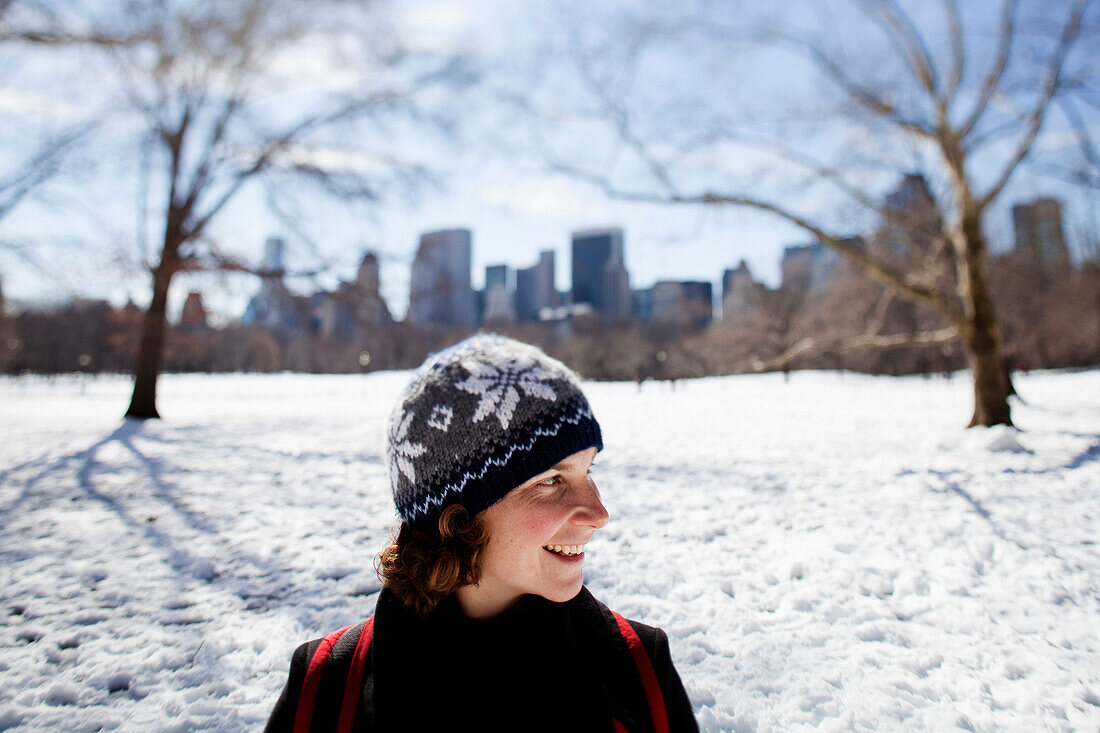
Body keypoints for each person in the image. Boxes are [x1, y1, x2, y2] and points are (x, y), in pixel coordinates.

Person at [265, 334, 697, 732]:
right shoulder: (326, 690)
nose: (599, 514)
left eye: (589, 471)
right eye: (550, 480)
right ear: (455, 518)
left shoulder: (639, 673)